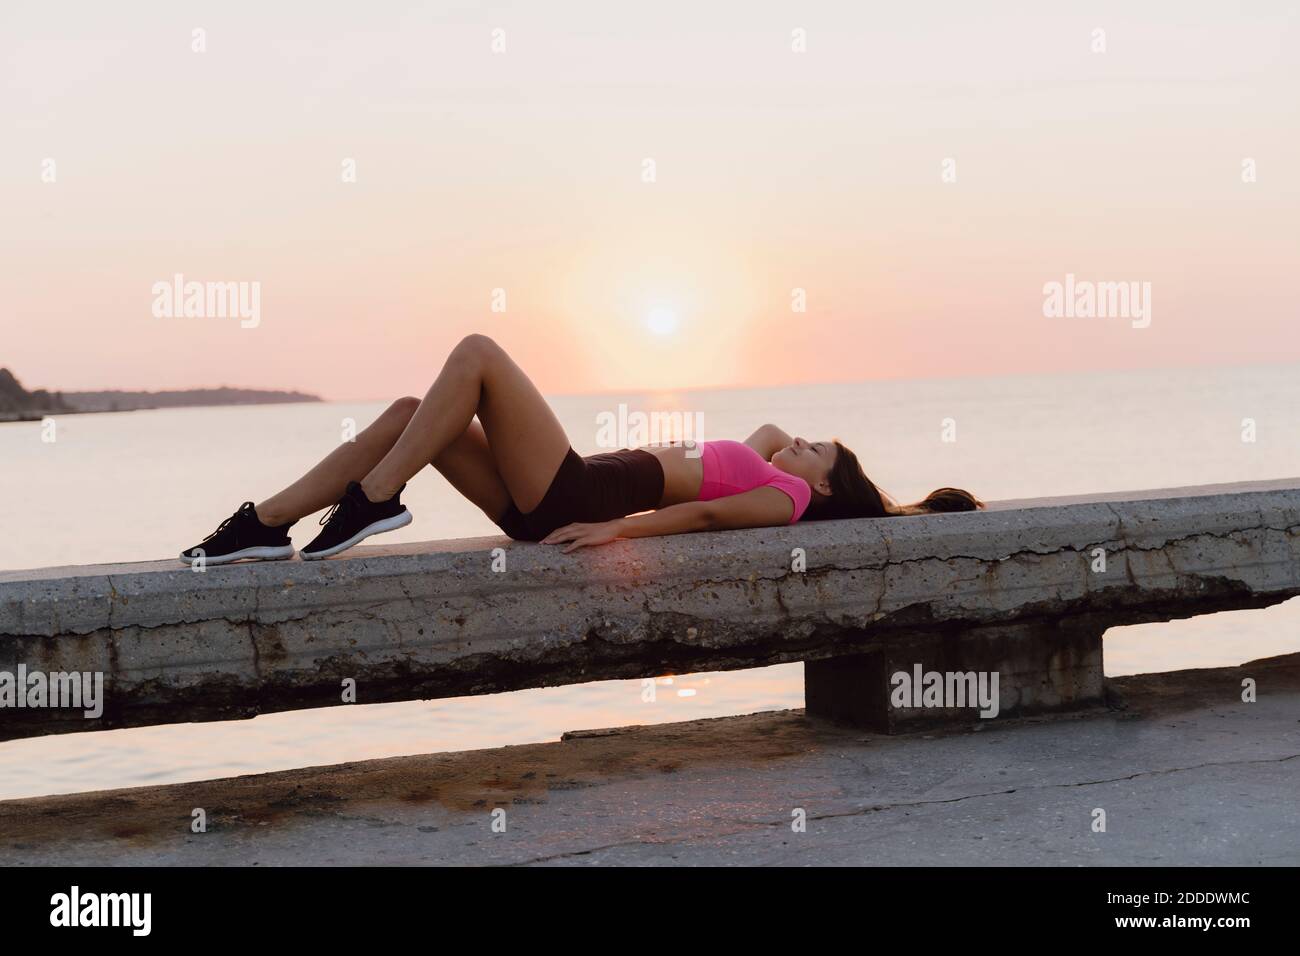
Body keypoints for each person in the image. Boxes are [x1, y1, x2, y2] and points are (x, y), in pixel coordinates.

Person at [180, 335, 981, 565]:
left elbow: (704, 517)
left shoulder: (790, 499)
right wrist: (800, 448)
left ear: (824, 489)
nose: (801, 443)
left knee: (478, 354)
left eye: (820, 452)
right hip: (558, 498)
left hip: (579, 496)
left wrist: (617, 532)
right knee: (409, 410)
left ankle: (375, 502)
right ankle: (266, 521)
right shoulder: (771, 460)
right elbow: (769, 431)